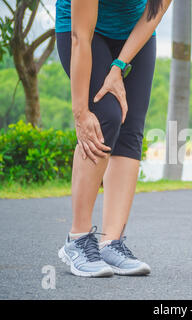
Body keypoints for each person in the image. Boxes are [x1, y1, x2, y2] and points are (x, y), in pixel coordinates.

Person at [55, 0, 172, 277]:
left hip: (135, 32)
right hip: (85, 33)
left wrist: (119, 66)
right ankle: (78, 239)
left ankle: (111, 242)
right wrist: (81, 113)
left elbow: (155, 11)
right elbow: (80, 37)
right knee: (104, 116)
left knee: (130, 129)